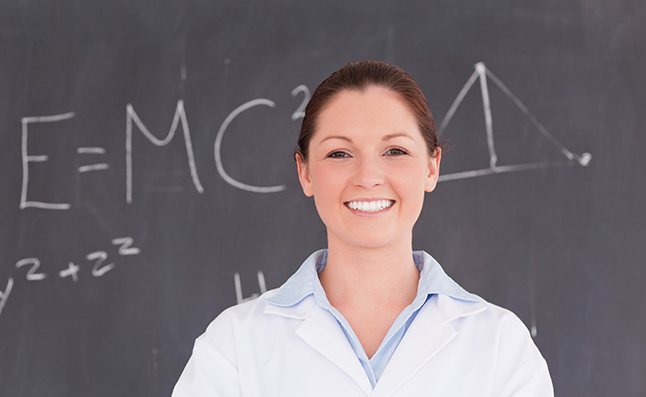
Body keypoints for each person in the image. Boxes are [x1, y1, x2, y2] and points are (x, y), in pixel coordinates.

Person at [172, 60, 553, 396]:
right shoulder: (235, 346)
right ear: (305, 172)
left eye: (395, 151)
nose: (368, 177)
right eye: (339, 153)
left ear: (431, 168)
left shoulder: (501, 345)